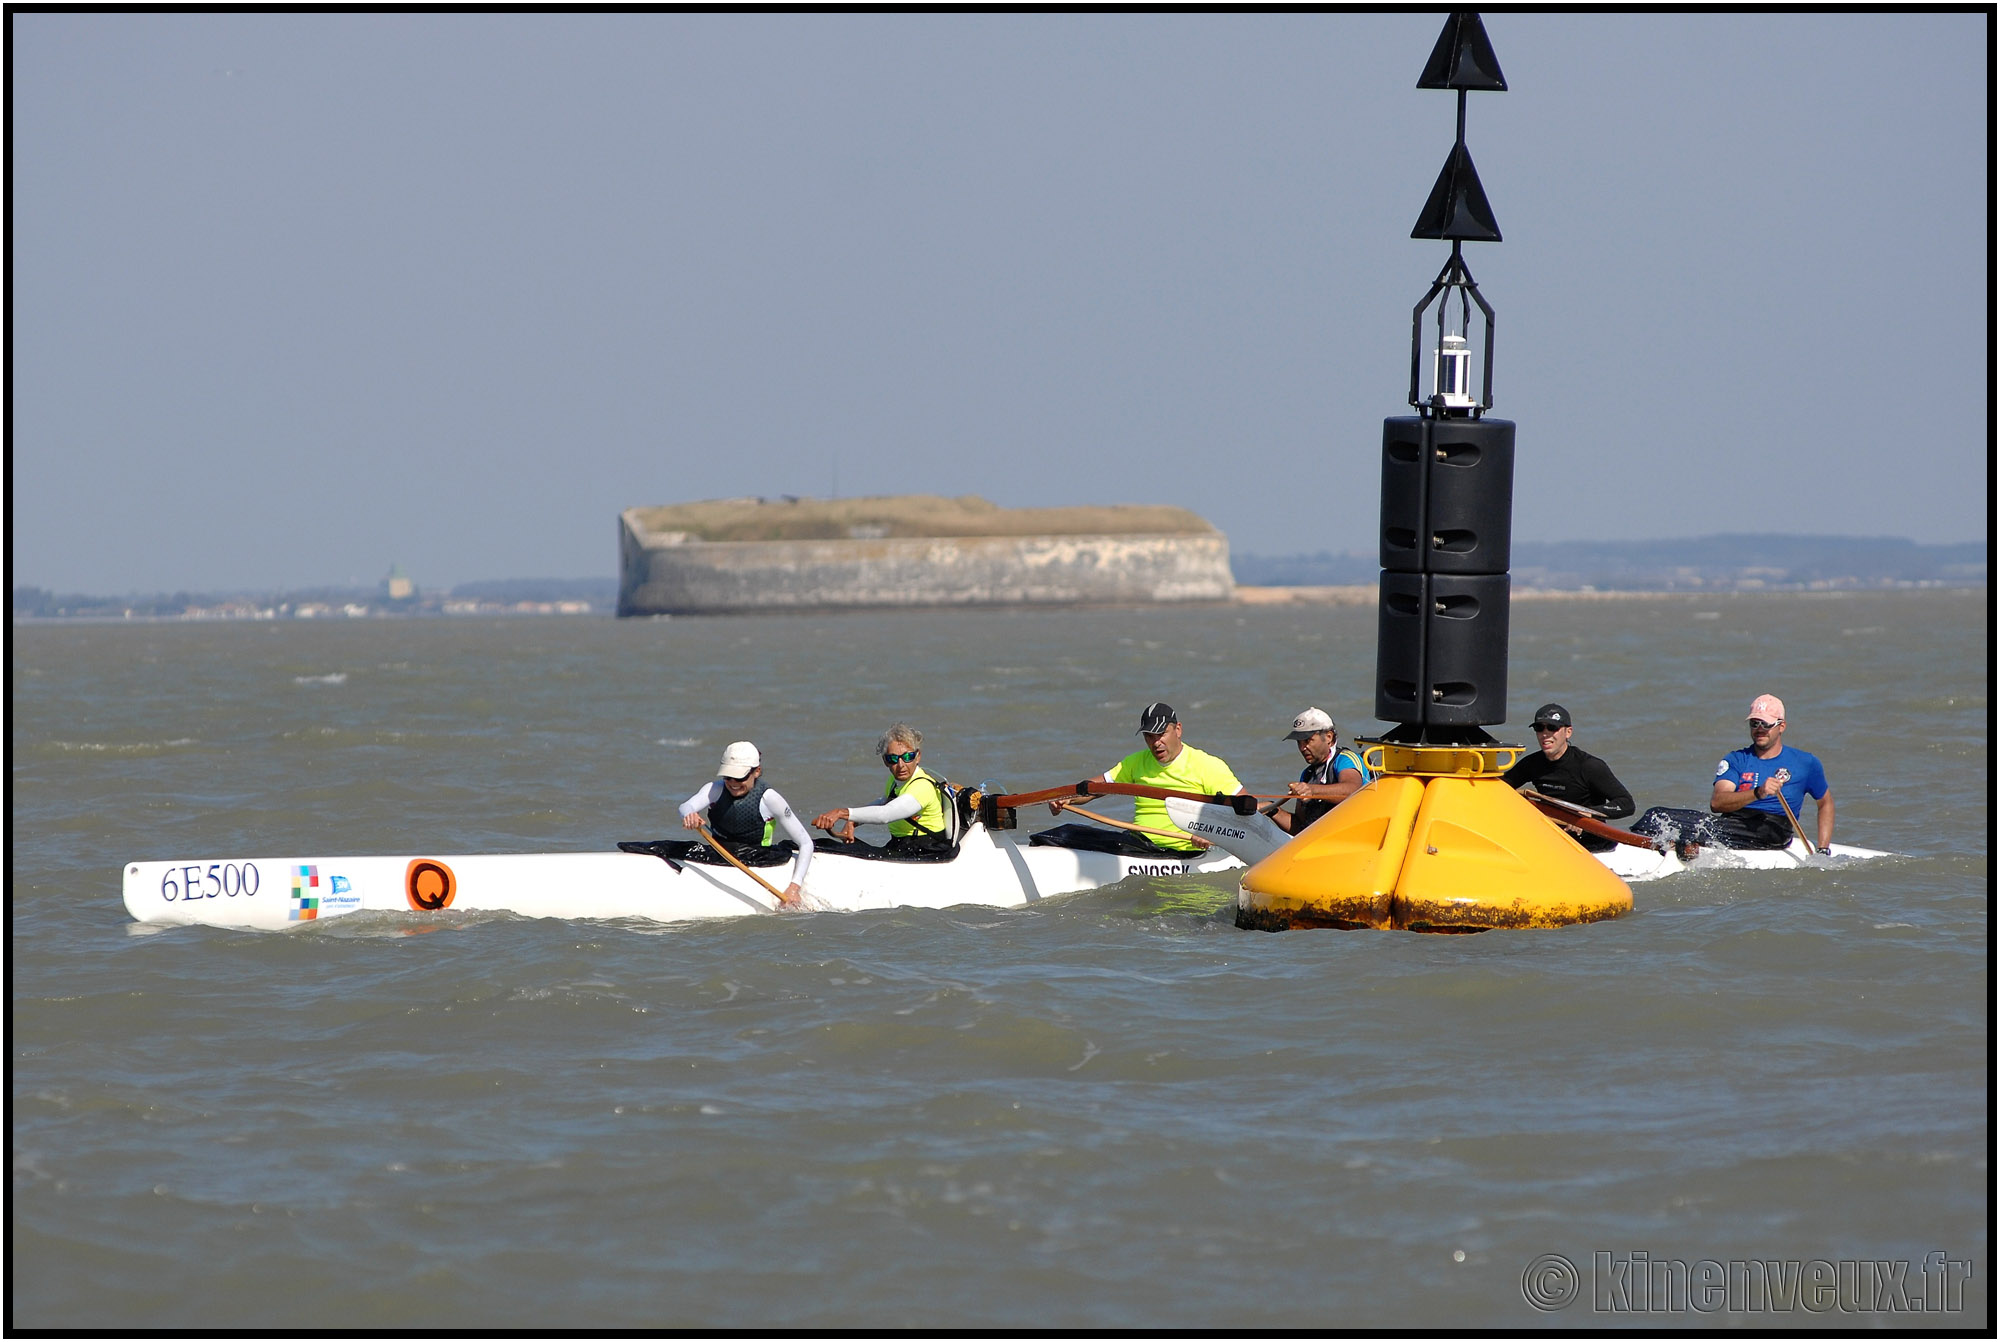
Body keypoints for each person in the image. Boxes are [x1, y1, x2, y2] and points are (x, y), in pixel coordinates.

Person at [1633, 694, 1834, 854]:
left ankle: (1684, 845)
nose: (1759, 729)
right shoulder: (1736, 759)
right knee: (1656, 815)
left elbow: (1825, 803)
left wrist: (1823, 849)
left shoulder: (1806, 762)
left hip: (1771, 829)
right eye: (1754, 723)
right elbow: (1718, 803)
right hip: (1734, 822)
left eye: (1766, 724)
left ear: (1781, 727)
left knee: (1689, 827)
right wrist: (1758, 792)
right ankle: (1652, 847)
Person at [1053, 702, 1246, 853]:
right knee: (1065, 833)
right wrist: (1068, 797)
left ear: (1178, 729)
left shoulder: (1207, 765)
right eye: (1149, 736)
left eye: (1161, 734)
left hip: (1185, 851)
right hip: (1140, 845)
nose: (1156, 743)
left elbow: (1247, 809)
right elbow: (1095, 789)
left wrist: (1214, 835)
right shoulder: (1136, 762)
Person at [677, 741, 812, 905]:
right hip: (719, 852)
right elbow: (686, 806)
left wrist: (794, 887)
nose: (733, 783)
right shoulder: (715, 789)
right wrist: (690, 815)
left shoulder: (770, 799)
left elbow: (805, 843)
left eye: (739, 777)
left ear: (757, 772)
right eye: (728, 776)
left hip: (759, 856)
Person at [1501, 703, 1635, 853]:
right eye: (1540, 728)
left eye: (1552, 728)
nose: (1545, 734)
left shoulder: (1589, 766)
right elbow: (1501, 789)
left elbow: (1626, 804)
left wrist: (1587, 814)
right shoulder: (1532, 764)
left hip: (1594, 848)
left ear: (1568, 732)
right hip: (1555, 842)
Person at [811, 723, 954, 854]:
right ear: (885, 761)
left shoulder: (922, 786)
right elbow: (884, 802)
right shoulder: (894, 780)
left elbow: (885, 814)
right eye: (893, 759)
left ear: (918, 757)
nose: (901, 765)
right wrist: (854, 821)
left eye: (908, 757)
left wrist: (841, 813)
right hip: (900, 845)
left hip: (928, 850)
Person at [1270, 708, 1373, 834]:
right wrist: (1272, 810)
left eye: (1308, 741)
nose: (1302, 748)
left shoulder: (1345, 759)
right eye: (1299, 742)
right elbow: (1301, 827)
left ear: (1329, 737)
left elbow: (1352, 790)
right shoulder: (1307, 775)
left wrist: (1312, 790)